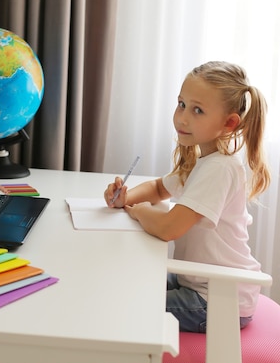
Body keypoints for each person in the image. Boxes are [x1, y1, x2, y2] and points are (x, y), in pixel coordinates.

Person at [104, 61, 270, 332]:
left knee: (124, 301)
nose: (182, 117)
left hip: (217, 301)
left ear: (229, 123)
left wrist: (138, 210)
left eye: (197, 110)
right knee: (125, 280)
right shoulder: (204, 159)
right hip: (200, 284)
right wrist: (126, 197)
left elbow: (170, 228)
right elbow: (160, 188)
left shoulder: (219, 168)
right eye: (181, 104)